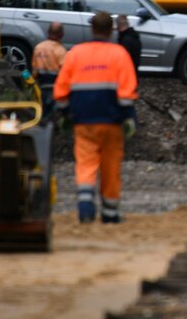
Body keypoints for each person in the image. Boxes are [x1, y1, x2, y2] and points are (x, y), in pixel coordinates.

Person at [54, 11, 138, 224]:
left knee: (85, 164)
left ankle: (85, 207)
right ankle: (110, 215)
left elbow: (61, 91)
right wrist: (129, 118)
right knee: (111, 166)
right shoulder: (119, 54)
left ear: (92, 29)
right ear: (111, 31)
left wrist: (65, 114)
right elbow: (127, 92)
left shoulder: (75, 54)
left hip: (83, 121)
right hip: (112, 121)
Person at [31, 22, 67, 118]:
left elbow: (34, 70)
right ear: (62, 35)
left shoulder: (38, 48)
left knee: (41, 110)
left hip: (40, 84)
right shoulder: (61, 51)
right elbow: (64, 72)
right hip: (55, 86)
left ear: (48, 32)